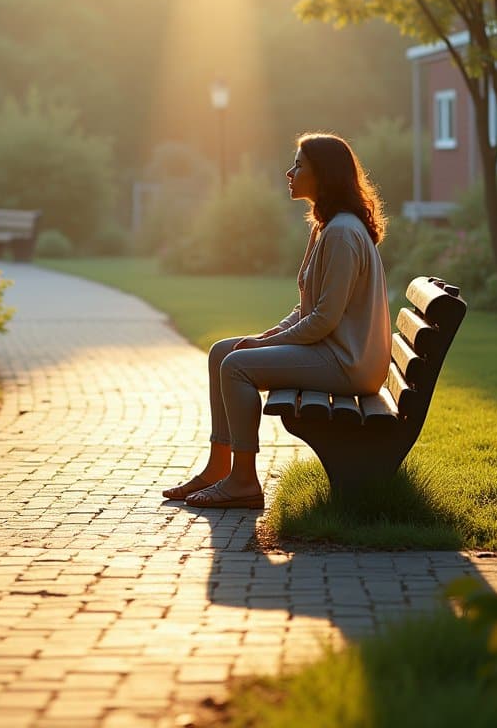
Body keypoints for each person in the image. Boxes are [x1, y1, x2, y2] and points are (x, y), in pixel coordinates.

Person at [163, 133, 392, 509]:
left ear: (324, 175)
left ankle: (243, 482)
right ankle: (218, 467)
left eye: (299, 165)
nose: (289, 172)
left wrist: (264, 345)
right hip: (335, 353)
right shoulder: (326, 227)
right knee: (223, 351)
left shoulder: (341, 233)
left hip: (348, 363)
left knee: (236, 366)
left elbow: (322, 320)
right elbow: (307, 309)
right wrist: (267, 335)